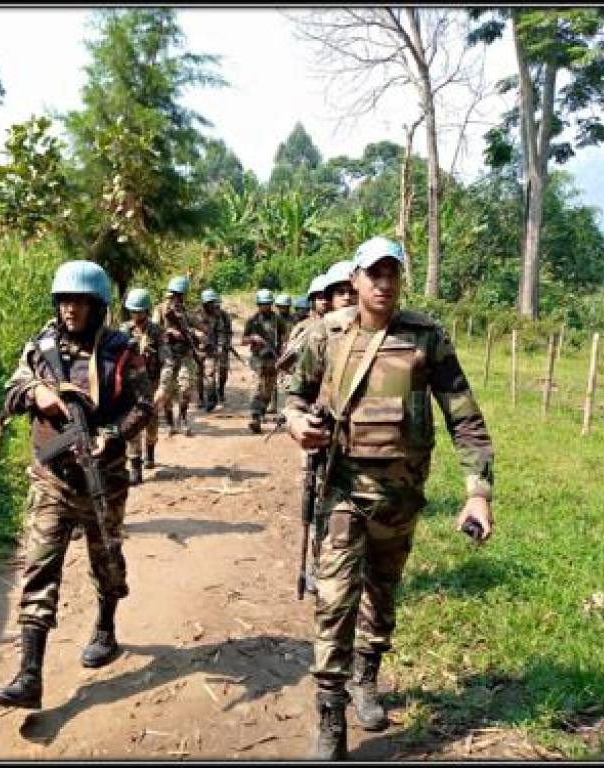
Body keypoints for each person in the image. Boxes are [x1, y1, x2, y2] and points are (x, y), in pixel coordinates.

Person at [284, 236, 495, 760]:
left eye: (392, 273)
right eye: (373, 273)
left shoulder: (426, 338)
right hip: (342, 490)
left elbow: (464, 417)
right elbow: (295, 395)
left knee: (382, 592)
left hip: (400, 497)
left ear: (401, 279)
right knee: (335, 599)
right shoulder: (327, 334)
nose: (383, 283)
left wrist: (478, 493)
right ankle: (330, 713)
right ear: (355, 279)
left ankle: (366, 676)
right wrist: (295, 423)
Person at [0, 260, 152, 709]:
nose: (70, 310)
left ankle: (105, 626)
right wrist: (37, 393)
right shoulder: (40, 347)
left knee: (106, 560)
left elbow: (143, 406)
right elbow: (11, 392)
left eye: (80, 302)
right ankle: (29, 675)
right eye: (64, 301)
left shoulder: (121, 350)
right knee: (39, 569)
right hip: (52, 481)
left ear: (98, 306)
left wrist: (112, 435)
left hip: (104, 481)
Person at [120, 288, 164, 484]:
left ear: (147, 311)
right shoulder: (123, 331)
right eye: (133, 311)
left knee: (152, 423)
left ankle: (150, 451)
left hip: (152, 384)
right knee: (133, 423)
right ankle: (135, 466)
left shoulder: (157, 332)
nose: (136, 315)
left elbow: (168, 361)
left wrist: (163, 387)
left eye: (140, 311)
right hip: (131, 386)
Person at [153, 276, 206, 436]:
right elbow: (153, 330)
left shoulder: (186, 313)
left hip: (185, 355)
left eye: (180, 295)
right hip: (167, 356)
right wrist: (168, 331)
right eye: (174, 295)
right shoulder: (160, 310)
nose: (177, 298)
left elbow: (202, 329)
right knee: (167, 393)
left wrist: (196, 333)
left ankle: (182, 419)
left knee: (186, 388)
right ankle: (170, 424)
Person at [242, 289, 291, 434]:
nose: (266, 306)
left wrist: (284, 352)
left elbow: (284, 337)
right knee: (257, 387)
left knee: (268, 390)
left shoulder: (277, 320)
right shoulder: (252, 320)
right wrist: (253, 338)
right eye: (263, 304)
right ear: (258, 304)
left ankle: (261, 412)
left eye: (268, 304)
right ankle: (255, 417)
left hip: (273, 358)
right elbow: (243, 340)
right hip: (258, 358)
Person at [195, 288, 224, 412]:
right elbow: (188, 328)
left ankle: (211, 400)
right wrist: (196, 333)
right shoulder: (195, 314)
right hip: (196, 349)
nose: (211, 305)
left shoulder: (217, 316)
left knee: (210, 374)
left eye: (212, 302)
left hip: (211, 350)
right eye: (209, 302)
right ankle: (201, 398)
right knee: (198, 375)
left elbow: (221, 332)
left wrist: (220, 346)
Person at [213, 294, 235, 408]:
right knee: (208, 373)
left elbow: (229, 332)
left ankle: (221, 390)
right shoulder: (204, 315)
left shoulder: (225, 316)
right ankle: (209, 395)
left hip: (223, 347)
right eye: (214, 305)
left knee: (223, 371)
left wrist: (227, 343)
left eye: (218, 305)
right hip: (210, 347)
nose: (216, 308)